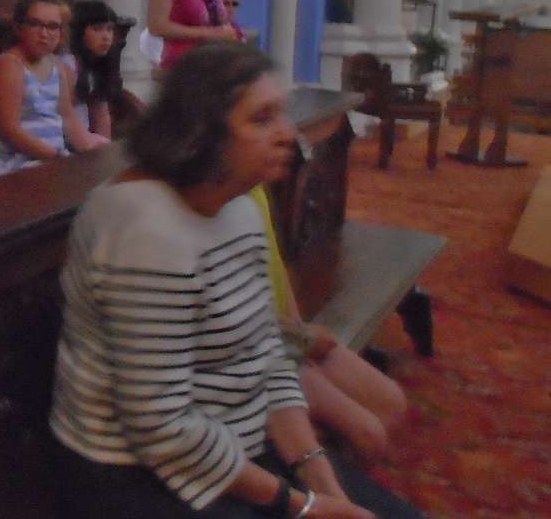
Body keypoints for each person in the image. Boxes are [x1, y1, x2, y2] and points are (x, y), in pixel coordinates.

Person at [49, 42, 423, 519]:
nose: (287, 133)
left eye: (281, 114)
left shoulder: (239, 204)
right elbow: (161, 428)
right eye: (262, 119)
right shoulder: (143, 226)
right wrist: (301, 506)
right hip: (134, 477)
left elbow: (266, 355)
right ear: (200, 131)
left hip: (227, 448)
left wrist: (323, 481)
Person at [248, 187, 408, 464]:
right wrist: (300, 341)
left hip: (284, 336)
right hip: (251, 353)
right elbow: (224, 316)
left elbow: (274, 262)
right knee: (367, 435)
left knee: (392, 402)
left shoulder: (251, 185)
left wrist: (300, 328)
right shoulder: (203, 194)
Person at [0, 0, 108, 178]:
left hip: (52, 159)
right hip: (15, 163)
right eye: (35, 24)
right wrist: (56, 157)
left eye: (52, 26)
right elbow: (10, 130)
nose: (44, 34)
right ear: (19, 28)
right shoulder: (9, 65)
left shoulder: (57, 66)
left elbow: (68, 118)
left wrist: (89, 151)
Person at [69, 0, 125, 139]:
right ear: (79, 32)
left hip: (85, 140)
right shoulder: (69, 63)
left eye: (110, 29)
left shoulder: (100, 65)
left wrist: (105, 147)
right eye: (97, 29)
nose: (106, 37)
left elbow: (101, 114)